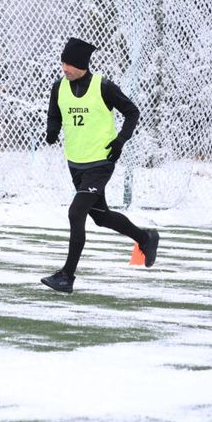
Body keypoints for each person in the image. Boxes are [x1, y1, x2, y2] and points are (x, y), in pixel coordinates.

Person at [40, 37, 159, 293]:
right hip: (76, 164)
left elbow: (132, 111)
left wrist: (121, 140)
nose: (66, 68)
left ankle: (67, 276)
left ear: (83, 64)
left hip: (101, 163)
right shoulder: (58, 87)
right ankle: (144, 237)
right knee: (101, 217)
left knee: (76, 213)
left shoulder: (103, 86)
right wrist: (52, 130)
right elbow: (54, 113)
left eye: (70, 64)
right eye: (63, 63)